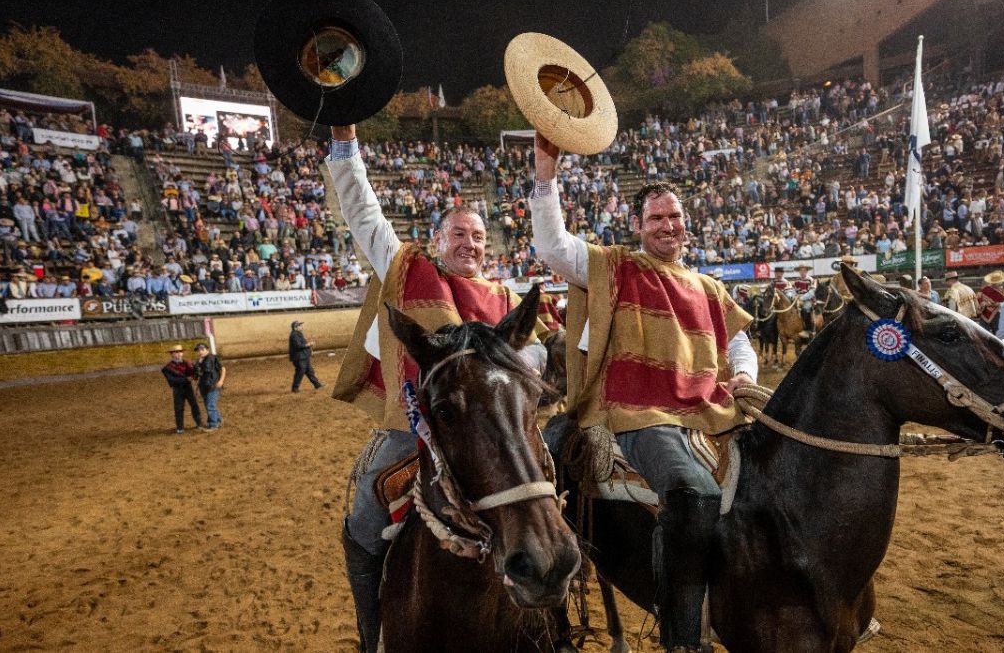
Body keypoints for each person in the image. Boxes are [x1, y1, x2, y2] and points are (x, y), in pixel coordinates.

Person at [323, 123, 547, 653]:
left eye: (478, 236)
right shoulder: (411, 270)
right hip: (416, 426)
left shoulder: (504, 297)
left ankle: (552, 620)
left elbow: (538, 351)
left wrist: (507, 367)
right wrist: (345, 142)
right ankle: (372, 631)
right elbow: (364, 215)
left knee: (553, 504)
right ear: (438, 241)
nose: (470, 243)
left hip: (498, 431)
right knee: (365, 511)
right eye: (458, 235)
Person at [531, 133, 756, 652]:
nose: (667, 225)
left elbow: (739, 342)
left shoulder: (709, 286)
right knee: (694, 492)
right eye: (656, 218)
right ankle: (681, 637)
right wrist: (545, 173)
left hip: (713, 408)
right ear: (638, 226)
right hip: (640, 413)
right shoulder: (617, 267)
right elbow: (552, 247)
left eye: (674, 216)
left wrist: (743, 375)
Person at [161, 344, 202, 434]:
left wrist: (196, 372)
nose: (179, 354)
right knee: (179, 408)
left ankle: (199, 423)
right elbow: (172, 380)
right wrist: (186, 379)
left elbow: (195, 374)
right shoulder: (168, 368)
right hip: (178, 389)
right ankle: (180, 427)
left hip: (188, 388)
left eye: (180, 352)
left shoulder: (188, 363)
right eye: (176, 352)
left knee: (194, 405)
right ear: (172, 354)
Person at [193, 342, 225, 431]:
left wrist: (221, 381)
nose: (200, 352)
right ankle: (218, 419)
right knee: (208, 405)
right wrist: (196, 385)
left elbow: (223, 369)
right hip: (204, 386)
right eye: (199, 350)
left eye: (202, 349)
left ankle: (213, 425)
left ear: (207, 349)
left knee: (210, 406)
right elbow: (198, 375)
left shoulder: (213, 358)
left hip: (213, 386)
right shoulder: (199, 361)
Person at [288, 321, 322, 392]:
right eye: (299, 326)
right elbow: (298, 346)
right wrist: (309, 344)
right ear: (295, 328)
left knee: (310, 371)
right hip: (299, 358)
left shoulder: (298, 334)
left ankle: (317, 385)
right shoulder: (294, 335)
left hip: (303, 357)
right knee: (300, 372)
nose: (301, 327)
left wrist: (308, 349)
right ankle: (295, 389)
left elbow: (302, 344)